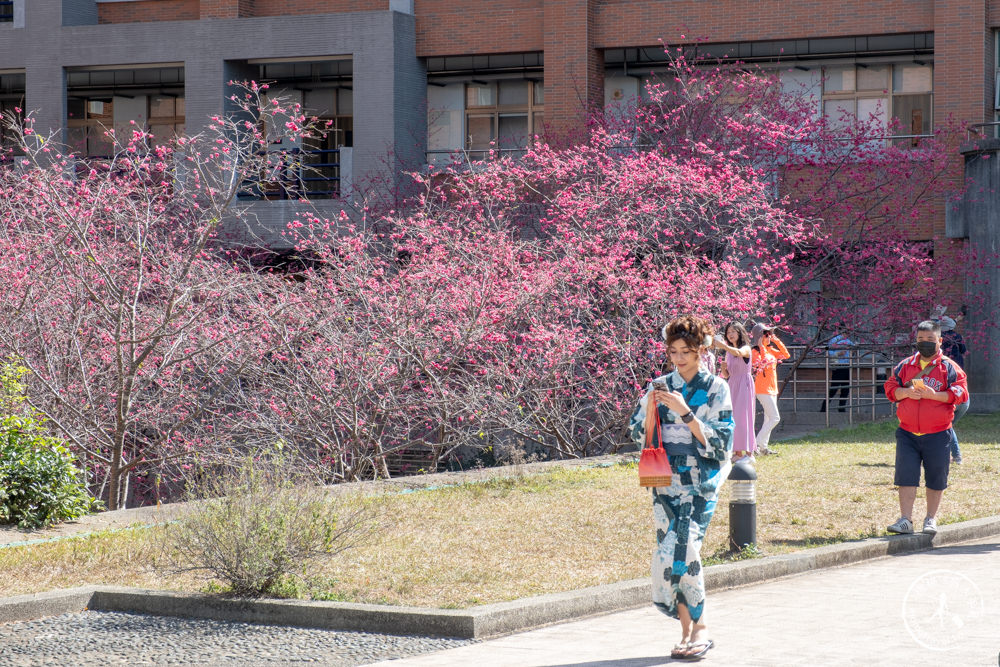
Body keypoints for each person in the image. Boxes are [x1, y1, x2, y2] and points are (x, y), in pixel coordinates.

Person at [629, 314, 734, 661]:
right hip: (664, 480)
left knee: (685, 549)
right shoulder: (660, 384)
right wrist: (649, 410)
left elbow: (722, 441)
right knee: (669, 556)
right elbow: (638, 433)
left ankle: (701, 631)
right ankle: (688, 631)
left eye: (686, 351)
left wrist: (687, 413)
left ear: (701, 350)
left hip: (700, 481)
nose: (678, 358)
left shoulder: (717, 388)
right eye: (673, 351)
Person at [883, 320, 969, 535]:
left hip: (939, 433)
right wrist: (906, 392)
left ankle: (930, 519)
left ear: (939, 341)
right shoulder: (905, 365)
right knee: (906, 476)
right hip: (907, 432)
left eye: (930, 339)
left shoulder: (950, 367)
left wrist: (935, 395)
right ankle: (905, 520)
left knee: (936, 477)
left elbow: (961, 394)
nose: (925, 343)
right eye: (921, 339)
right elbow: (891, 388)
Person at [714, 322, 755, 459]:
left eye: (733, 331)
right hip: (732, 384)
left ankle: (749, 453)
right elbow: (727, 375)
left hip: (744, 384)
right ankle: (737, 452)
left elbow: (739, 353)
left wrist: (723, 346)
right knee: (733, 418)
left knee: (744, 417)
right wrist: (723, 368)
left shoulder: (746, 348)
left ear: (739, 332)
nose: (730, 334)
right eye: (728, 332)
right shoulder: (728, 352)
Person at [750, 322, 789, 455]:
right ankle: (756, 444)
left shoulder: (770, 349)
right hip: (762, 389)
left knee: (768, 418)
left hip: (772, 388)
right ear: (759, 337)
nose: (768, 337)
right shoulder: (754, 351)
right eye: (766, 334)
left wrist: (775, 339)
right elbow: (761, 362)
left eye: (769, 334)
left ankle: (763, 448)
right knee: (775, 418)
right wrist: (761, 347)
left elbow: (785, 355)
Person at [937, 314, 969, 464]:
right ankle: (948, 456)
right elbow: (963, 349)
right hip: (960, 387)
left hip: (948, 388)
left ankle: (955, 456)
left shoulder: (937, 341)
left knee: (945, 425)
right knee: (945, 426)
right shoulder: (957, 336)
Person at [820, 332, 852, 413]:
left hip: (847, 365)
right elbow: (828, 350)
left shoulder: (848, 341)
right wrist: (838, 353)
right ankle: (824, 408)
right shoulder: (834, 340)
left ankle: (842, 408)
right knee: (834, 388)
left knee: (846, 388)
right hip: (838, 365)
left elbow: (853, 348)